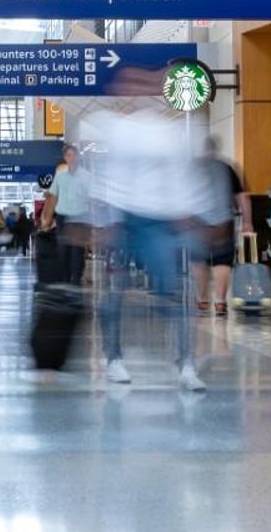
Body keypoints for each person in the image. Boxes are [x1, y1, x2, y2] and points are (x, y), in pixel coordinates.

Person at [88, 88, 216, 391]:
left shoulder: (169, 133)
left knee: (170, 294)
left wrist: (190, 211)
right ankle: (114, 358)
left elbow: (180, 175)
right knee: (115, 294)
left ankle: (186, 363)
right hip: (126, 219)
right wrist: (106, 222)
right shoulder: (118, 129)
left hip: (159, 220)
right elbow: (108, 175)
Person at [190, 136, 246, 316]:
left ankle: (203, 299)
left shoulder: (194, 168)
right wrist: (248, 222)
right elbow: (242, 197)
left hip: (198, 223)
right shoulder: (227, 168)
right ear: (217, 150)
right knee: (222, 262)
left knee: (199, 261)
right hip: (224, 222)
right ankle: (220, 301)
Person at [40, 144, 93, 286]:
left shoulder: (87, 177)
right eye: (69, 155)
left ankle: (75, 280)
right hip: (62, 218)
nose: (72, 158)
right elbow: (53, 198)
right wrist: (47, 219)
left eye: (74, 155)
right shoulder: (60, 176)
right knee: (63, 250)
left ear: (78, 157)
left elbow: (91, 199)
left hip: (80, 218)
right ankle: (66, 278)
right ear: (65, 158)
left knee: (77, 251)